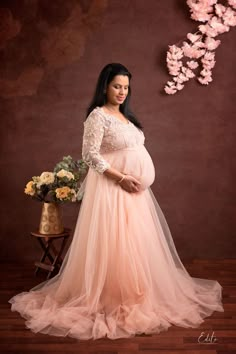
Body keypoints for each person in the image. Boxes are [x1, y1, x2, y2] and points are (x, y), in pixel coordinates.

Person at [9, 63, 224, 340]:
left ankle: (137, 291)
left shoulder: (126, 117)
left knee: (135, 241)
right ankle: (112, 295)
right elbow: (90, 155)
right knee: (115, 241)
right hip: (113, 190)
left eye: (125, 87)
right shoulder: (97, 117)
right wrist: (121, 177)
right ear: (105, 87)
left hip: (135, 195)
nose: (122, 92)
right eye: (116, 86)